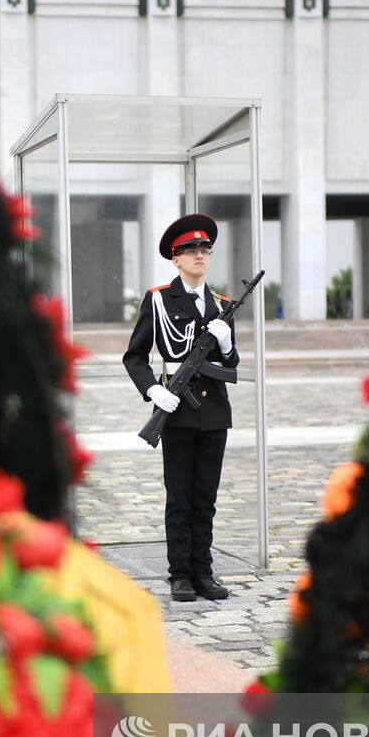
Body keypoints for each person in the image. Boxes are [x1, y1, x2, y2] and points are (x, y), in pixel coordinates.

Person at [123, 213, 238, 602]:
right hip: (175, 409)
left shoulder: (222, 304)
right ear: (176, 259)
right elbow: (134, 356)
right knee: (180, 496)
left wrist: (225, 344)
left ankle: (204, 573)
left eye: (205, 249)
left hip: (215, 414)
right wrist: (154, 391)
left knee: (206, 496)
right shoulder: (158, 299)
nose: (201, 256)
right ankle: (181, 575)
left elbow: (231, 364)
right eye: (192, 250)